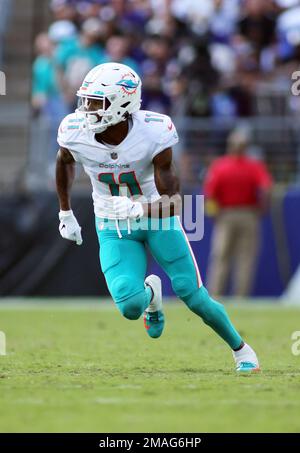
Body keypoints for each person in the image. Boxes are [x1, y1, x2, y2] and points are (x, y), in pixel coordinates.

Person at [56, 62, 260, 372]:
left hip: (156, 218)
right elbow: (64, 162)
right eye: (85, 101)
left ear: (122, 103)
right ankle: (152, 295)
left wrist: (139, 209)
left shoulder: (153, 132)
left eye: (96, 103)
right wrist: (65, 212)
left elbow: (176, 202)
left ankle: (242, 350)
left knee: (193, 295)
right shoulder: (74, 131)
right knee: (129, 305)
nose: (87, 110)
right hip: (113, 224)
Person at [204, 129, 273, 297]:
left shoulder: (220, 166)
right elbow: (267, 188)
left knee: (220, 257)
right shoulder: (254, 166)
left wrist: (214, 214)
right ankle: (240, 297)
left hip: (226, 215)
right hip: (249, 214)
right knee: (245, 259)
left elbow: (209, 194)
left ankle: (215, 296)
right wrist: (262, 207)